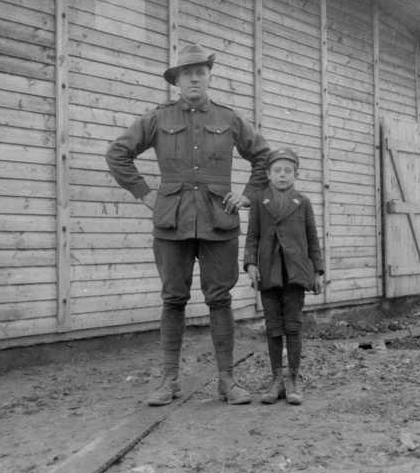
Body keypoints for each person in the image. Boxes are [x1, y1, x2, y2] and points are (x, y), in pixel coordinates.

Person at [106, 44, 271, 406]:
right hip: (172, 221)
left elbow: (264, 157)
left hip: (218, 222)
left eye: (200, 72)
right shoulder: (158, 118)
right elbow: (118, 153)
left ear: (210, 77)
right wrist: (145, 194)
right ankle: (169, 380)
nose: (194, 78)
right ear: (177, 81)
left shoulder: (229, 118)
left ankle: (227, 380)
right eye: (186, 73)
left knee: (220, 299)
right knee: (173, 299)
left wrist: (246, 194)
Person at [243, 147, 324, 405]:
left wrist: (318, 272)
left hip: (296, 272)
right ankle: (276, 379)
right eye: (277, 170)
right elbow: (252, 235)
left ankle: (293, 379)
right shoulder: (258, 200)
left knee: (293, 326)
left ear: (295, 174)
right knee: (273, 326)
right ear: (267, 174)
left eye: (288, 171)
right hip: (269, 271)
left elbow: (313, 239)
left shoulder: (303, 202)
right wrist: (250, 265)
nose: (282, 175)